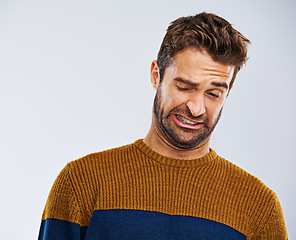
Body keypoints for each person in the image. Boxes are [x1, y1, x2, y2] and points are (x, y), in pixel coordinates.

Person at [38, 12, 288, 239]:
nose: (197, 108)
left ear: (229, 91)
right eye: (185, 87)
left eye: (213, 94)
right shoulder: (81, 182)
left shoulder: (259, 208)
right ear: (156, 75)